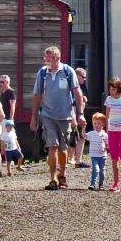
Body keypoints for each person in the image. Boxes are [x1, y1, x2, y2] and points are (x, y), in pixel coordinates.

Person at [31, 45, 84, 191]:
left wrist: (80, 114)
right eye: (45, 58)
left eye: (49, 58)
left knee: (63, 147)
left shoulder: (67, 71)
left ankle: (62, 175)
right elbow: (37, 95)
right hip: (48, 115)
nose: (46, 61)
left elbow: (77, 93)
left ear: (57, 58)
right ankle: (52, 178)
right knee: (51, 146)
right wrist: (34, 117)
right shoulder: (42, 73)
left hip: (65, 116)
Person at [71, 67, 89, 169]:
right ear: (77, 76)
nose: (84, 79)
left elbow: (83, 98)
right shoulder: (70, 86)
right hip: (72, 113)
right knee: (71, 137)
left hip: (80, 114)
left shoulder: (83, 87)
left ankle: (78, 160)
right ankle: (68, 160)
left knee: (82, 136)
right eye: (83, 77)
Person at [86, 112, 109, 190]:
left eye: (99, 123)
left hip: (102, 156)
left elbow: (107, 145)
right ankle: (93, 184)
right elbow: (84, 136)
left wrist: (106, 147)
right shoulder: (91, 133)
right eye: (95, 123)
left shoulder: (105, 135)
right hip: (94, 155)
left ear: (103, 124)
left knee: (102, 171)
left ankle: (101, 185)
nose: (96, 125)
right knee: (96, 169)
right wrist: (83, 127)